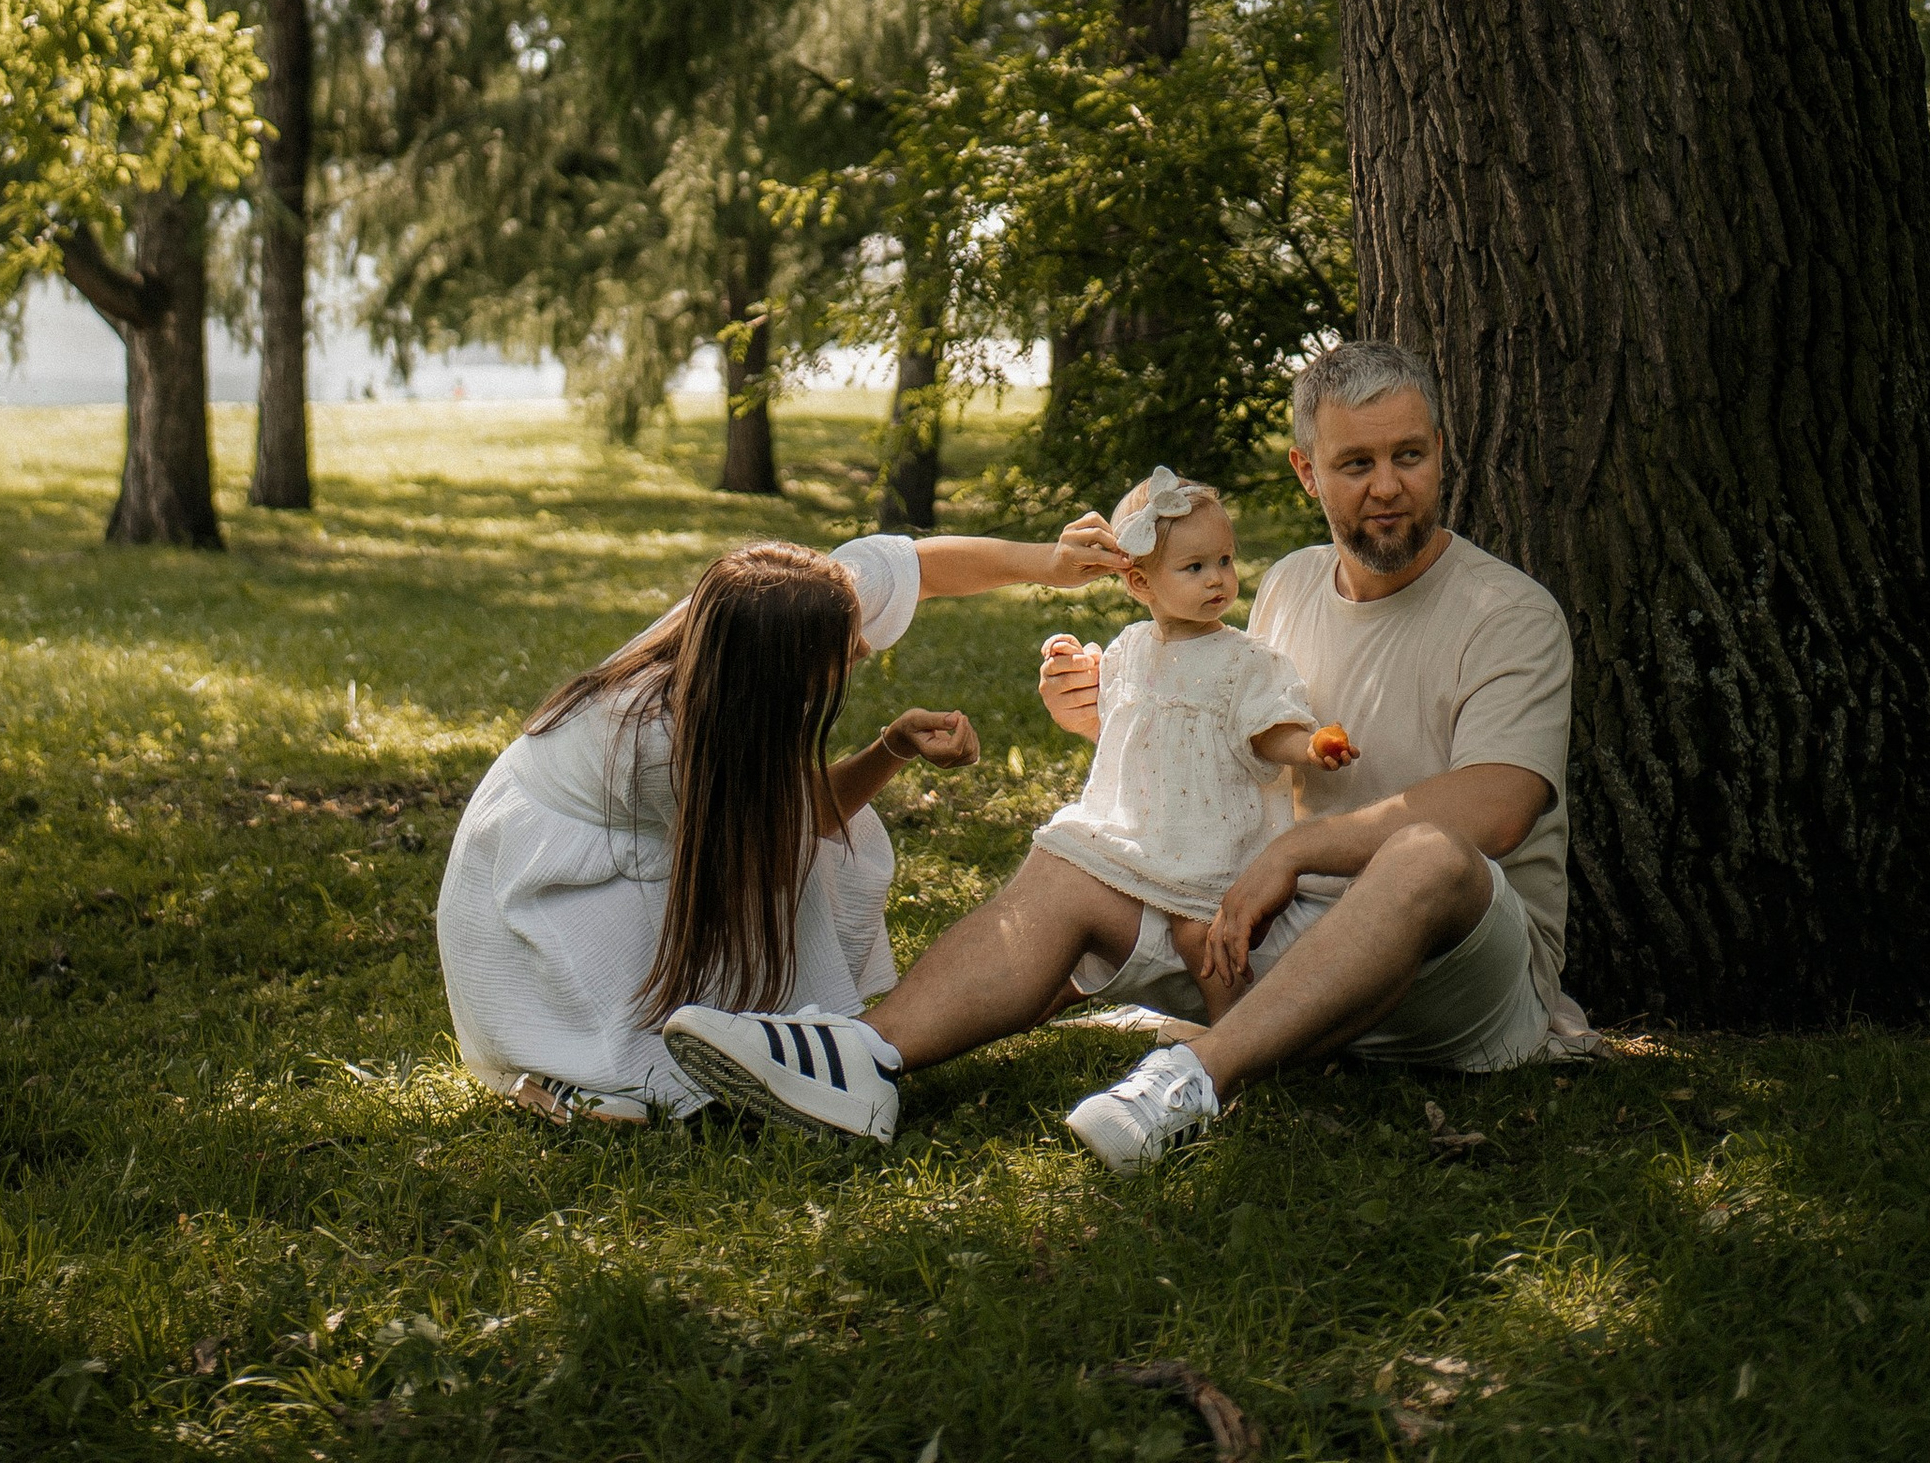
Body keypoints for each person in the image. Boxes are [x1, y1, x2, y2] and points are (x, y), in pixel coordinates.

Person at [662, 339, 1577, 1157]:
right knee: (1074, 861)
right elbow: (1234, 742)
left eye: (1409, 455)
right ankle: (861, 1056)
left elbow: (1497, 809)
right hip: (1273, 945)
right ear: (1307, 471)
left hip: (1457, 978)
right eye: (1356, 463)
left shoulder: (1507, 613)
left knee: (1427, 856)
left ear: (1441, 451)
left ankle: (1194, 1080)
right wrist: (1118, 720)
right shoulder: (1293, 584)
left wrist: (1298, 851)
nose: (1387, 486)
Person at [437, 515, 1122, 1124]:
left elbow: (919, 566)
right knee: (652, 1079)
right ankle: (563, 1071)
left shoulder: (766, 608)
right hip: (550, 880)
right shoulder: (660, 748)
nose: (861, 651)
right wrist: (893, 750)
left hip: (634, 833)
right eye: (844, 653)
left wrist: (1050, 562)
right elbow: (808, 821)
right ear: (776, 675)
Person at [1025, 467, 1333, 1024]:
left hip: (1210, 838)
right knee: (1068, 878)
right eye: (1195, 567)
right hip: (1138, 826)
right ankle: (1034, 994)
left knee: (1200, 935)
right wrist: (1075, 665)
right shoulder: (1129, 649)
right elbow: (1116, 721)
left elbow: (1267, 729)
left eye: (1225, 561)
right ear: (1140, 583)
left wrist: (1309, 746)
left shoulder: (1244, 661)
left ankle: (1232, 1030)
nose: (1218, 579)